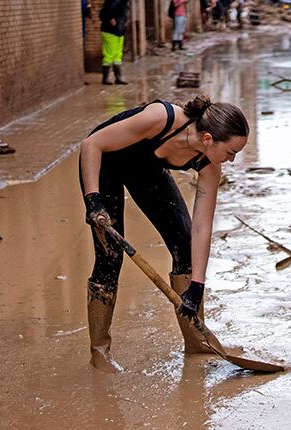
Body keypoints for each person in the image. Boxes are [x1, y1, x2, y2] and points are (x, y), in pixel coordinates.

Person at [78, 96, 249, 370]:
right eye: (231, 152)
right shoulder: (161, 119)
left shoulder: (208, 166)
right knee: (109, 259)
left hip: (146, 171)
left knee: (184, 244)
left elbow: (202, 227)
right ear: (208, 139)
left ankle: (197, 343)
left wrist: (196, 285)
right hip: (104, 163)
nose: (232, 159)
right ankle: (100, 352)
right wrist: (93, 200)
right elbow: (91, 144)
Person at [99, 0, 130, 84]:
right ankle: (105, 79)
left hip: (119, 32)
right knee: (109, 55)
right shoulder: (113, 2)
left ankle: (118, 78)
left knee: (117, 55)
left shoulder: (123, 2)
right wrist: (110, 18)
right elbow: (107, 10)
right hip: (111, 32)